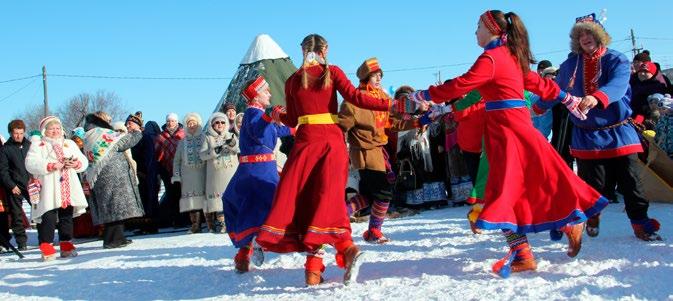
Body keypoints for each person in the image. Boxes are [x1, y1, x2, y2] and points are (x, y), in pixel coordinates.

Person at [402, 10, 607, 277]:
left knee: (503, 192)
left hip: (509, 131)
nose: (475, 32)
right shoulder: (509, 56)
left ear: (491, 28)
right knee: (514, 190)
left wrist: (424, 94)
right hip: (507, 129)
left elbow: (462, 85)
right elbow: (537, 82)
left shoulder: (491, 58)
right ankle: (534, 246)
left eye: (478, 26)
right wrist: (566, 97)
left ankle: (560, 229)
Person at [255, 34, 414, 286]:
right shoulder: (334, 73)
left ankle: (314, 268)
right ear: (325, 49)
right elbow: (358, 97)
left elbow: (293, 120)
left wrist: (276, 114)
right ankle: (343, 252)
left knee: (305, 201)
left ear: (302, 50)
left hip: (306, 144)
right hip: (332, 144)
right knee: (328, 199)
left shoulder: (292, 80)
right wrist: (391, 105)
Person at [535, 13, 662, 241]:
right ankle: (592, 216)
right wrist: (538, 107)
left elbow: (618, 84)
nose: (585, 38)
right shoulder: (570, 64)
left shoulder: (617, 60)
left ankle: (641, 224)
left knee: (631, 183)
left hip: (619, 132)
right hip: (587, 135)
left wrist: (597, 97)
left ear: (599, 35)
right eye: (580, 35)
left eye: (589, 33)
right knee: (594, 186)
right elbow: (556, 88)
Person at [339, 58, 429, 244]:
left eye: (380, 75)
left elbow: (394, 124)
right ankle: (370, 229)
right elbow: (341, 127)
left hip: (381, 152)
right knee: (383, 192)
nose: (379, 78)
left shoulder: (383, 98)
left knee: (372, 194)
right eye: (374, 75)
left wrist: (420, 121)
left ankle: (341, 216)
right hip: (365, 152)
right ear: (365, 77)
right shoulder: (353, 101)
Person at [222, 76, 293, 273]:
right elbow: (258, 128)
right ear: (256, 95)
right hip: (259, 172)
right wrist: (270, 116)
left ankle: (244, 255)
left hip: (257, 170)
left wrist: (299, 126)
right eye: (266, 90)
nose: (270, 93)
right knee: (278, 206)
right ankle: (306, 244)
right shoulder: (253, 114)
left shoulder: (259, 114)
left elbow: (279, 130)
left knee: (250, 210)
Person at [25, 116, 89, 261]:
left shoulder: (69, 143)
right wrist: (51, 165)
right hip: (49, 185)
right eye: (51, 129)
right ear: (44, 131)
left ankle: (66, 243)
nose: (55, 131)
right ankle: (46, 245)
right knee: (49, 215)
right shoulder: (38, 145)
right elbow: (30, 163)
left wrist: (75, 164)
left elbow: (83, 160)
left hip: (68, 184)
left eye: (57, 128)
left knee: (66, 215)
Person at [83, 112, 145, 248]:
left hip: (104, 178)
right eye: (107, 119)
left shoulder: (90, 134)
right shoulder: (100, 134)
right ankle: (112, 240)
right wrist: (136, 132)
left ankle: (118, 237)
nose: (110, 120)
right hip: (111, 178)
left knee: (113, 208)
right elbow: (124, 142)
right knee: (115, 208)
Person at [200, 112, 237, 234]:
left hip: (231, 172)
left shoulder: (231, 135)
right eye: (217, 122)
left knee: (233, 198)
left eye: (222, 122)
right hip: (216, 174)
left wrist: (232, 144)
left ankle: (235, 222)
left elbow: (239, 149)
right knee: (218, 200)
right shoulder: (207, 138)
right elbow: (202, 155)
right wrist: (215, 150)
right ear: (212, 124)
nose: (220, 124)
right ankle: (222, 223)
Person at [172, 113, 207, 234]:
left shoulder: (204, 138)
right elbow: (176, 160)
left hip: (203, 173)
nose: (191, 125)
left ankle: (210, 224)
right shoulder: (182, 142)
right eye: (189, 123)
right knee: (192, 200)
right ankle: (195, 225)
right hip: (188, 176)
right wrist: (176, 174)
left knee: (206, 199)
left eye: (194, 123)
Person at [0, 120, 31, 251]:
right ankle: (21, 242)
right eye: (15, 133)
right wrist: (11, 185)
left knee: (39, 212)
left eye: (21, 133)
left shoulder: (30, 145)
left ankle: (44, 239)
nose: (18, 136)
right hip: (14, 187)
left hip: (32, 184)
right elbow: (3, 170)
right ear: (11, 133)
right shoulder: (5, 149)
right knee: (16, 215)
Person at [155, 113, 185, 227]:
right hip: (168, 171)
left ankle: (185, 219)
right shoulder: (161, 137)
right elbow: (157, 154)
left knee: (183, 194)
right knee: (172, 195)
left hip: (183, 170)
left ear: (177, 122)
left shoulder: (183, 134)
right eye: (168, 121)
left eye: (173, 121)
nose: (170, 123)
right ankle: (176, 220)